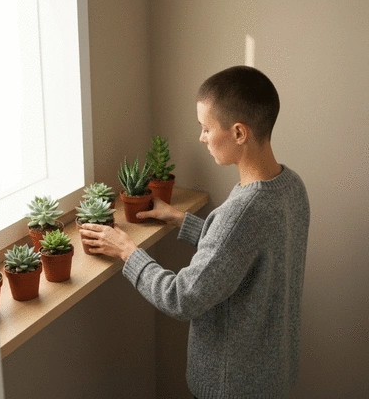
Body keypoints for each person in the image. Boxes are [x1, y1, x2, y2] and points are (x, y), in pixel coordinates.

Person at [79, 65, 310, 399]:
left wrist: (126, 250)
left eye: (206, 127)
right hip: (273, 370)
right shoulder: (290, 185)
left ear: (239, 133)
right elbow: (242, 255)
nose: (201, 137)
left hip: (232, 385)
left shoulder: (242, 213)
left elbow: (181, 298)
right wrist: (179, 219)